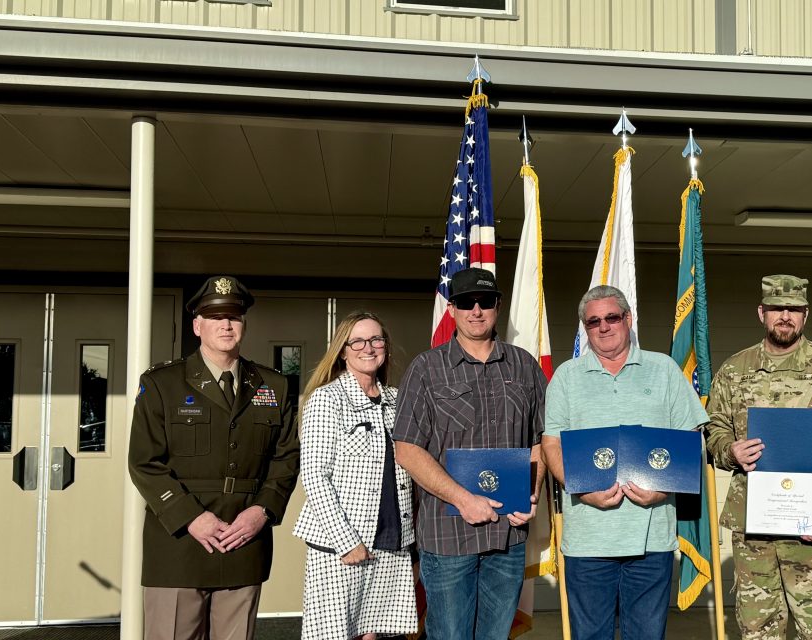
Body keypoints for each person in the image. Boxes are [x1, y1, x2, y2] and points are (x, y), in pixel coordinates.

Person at [129, 275, 299, 640]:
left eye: (234, 316)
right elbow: (144, 462)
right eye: (215, 316)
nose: (226, 324)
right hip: (178, 545)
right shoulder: (163, 383)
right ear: (197, 325)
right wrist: (191, 517)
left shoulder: (274, 386)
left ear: (244, 324)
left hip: (244, 541)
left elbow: (286, 458)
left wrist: (262, 512)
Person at [703, 274, 812, 640]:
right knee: (757, 633)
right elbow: (714, 430)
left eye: (793, 309)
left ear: (805, 315)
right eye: (777, 308)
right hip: (754, 534)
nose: (785, 316)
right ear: (761, 312)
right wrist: (729, 450)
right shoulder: (734, 371)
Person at [540, 285, 709, 640]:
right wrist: (583, 491)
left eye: (611, 318)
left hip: (651, 540)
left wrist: (661, 492)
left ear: (628, 319)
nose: (603, 327)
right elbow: (551, 443)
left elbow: (690, 438)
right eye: (593, 322)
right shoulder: (566, 377)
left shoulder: (663, 370)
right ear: (585, 329)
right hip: (588, 539)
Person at [392, 267, 547, 640]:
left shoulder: (524, 365)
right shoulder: (426, 369)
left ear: (497, 306)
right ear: (452, 309)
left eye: (485, 301)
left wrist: (533, 491)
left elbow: (542, 440)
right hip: (449, 538)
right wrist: (463, 499)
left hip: (507, 536)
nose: (476, 310)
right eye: (465, 302)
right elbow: (407, 449)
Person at [292, 311, 417, 639]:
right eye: (358, 341)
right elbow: (315, 475)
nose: (369, 347)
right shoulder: (327, 398)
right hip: (342, 543)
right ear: (343, 350)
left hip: (392, 539)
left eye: (376, 339)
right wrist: (346, 541)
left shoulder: (397, 399)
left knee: (376, 635)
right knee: (335, 634)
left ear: (386, 347)